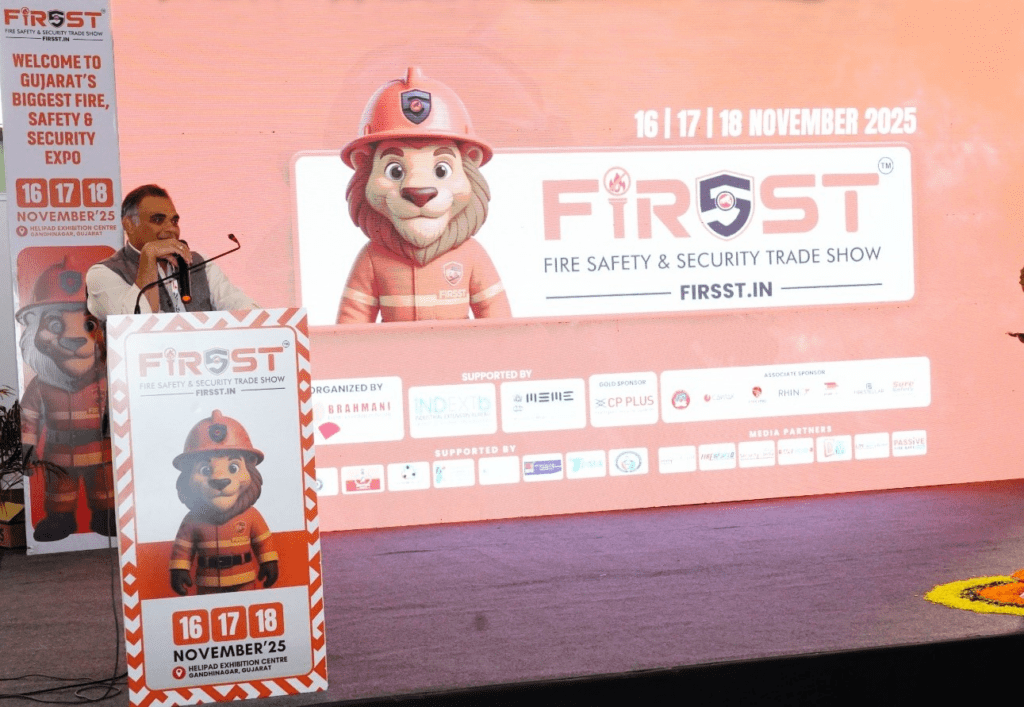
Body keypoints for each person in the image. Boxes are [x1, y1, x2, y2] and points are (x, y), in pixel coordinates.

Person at [86, 185, 257, 319]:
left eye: (174, 221)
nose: (171, 229)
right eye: (158, 220)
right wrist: (148, 257)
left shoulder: (198, 262)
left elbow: (243, 309)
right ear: (129, 225)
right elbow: (135, 327)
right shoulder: (103, 274)